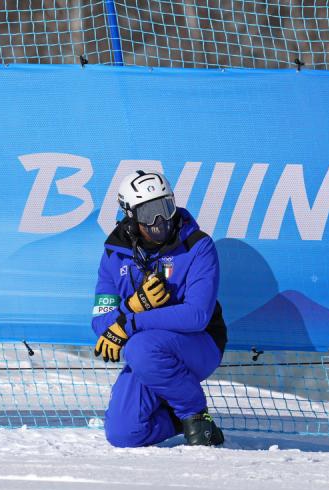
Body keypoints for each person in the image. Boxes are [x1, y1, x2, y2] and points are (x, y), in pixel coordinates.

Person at [91, 170, 227, 447]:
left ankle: (196, 416)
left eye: (165, 208)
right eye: (148, 213)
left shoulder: (197, 245)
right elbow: (100, 325)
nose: (159, 221)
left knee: (138, 346)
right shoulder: (114, 254)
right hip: (148, 355)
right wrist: (132, 305)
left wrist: (130, 322)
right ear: (130, 215)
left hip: (199, 344)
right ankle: (176, 417)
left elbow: (197, 315)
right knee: (123, 433)